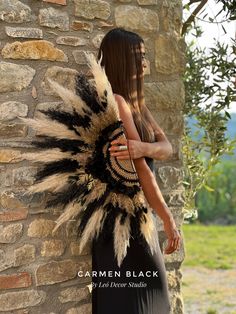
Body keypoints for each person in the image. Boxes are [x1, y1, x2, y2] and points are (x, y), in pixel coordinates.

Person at [91, 27, 182, 314]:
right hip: (123, 222)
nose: (146, 64)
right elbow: (143, 173)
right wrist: (168, 220)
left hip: (140, 217)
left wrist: (144, 148)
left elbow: (167, 149)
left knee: (153, 302)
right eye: (140, 57)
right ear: (123, 60)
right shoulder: (117, 103)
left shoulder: (138, 105)